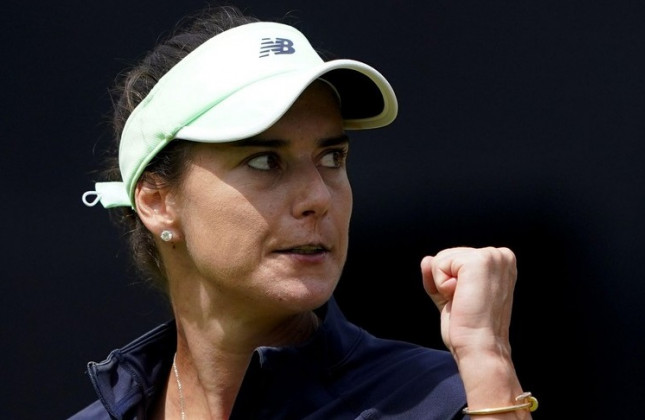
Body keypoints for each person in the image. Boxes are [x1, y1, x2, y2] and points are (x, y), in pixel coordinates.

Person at [74, 4, 536, 420]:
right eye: (264, 161)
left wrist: (488, 363)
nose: (318, 197)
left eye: (332, 158)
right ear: (157, 203)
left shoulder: (446, 399)